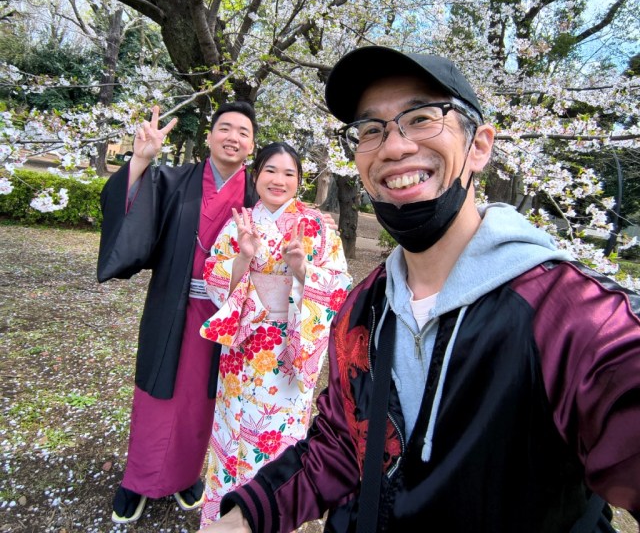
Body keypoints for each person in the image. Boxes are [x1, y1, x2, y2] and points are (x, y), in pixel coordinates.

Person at [198, 46, 640, 533]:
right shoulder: (364, 308)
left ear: (479, 146)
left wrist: (302, 272)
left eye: (423, 118)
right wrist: (246, 516)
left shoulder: (575, 316)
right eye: (371, 130)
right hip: (246, 357)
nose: (393, 147)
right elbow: (344, 442)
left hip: (283, 356)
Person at [97, 101, 259, 523]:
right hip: (172, 303)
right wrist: (140, 161)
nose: (233, 137)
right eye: (225, 128)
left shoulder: (257, 197)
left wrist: (316, 225)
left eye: (243, 132)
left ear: (251, 146)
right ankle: (138, 480)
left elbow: (287, 228)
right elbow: (130, 211)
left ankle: (187, 474)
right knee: (157, 394)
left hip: (225, 314)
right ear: (209, 136)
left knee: (203, 400)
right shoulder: (173, 180)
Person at [198, 142, 352, 526]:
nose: (278, 180)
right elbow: (214, 277)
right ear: (256, 175)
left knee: (275, 437)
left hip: (288, 349)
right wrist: (244, 257)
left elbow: (338, 287)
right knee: (232, 430)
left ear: (299, 181)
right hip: (242, 346)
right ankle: (223, 520)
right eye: (270, 170)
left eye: (288, 173)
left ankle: (265, 516)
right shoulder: (240, 223)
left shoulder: (316, 226)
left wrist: (302, 269)